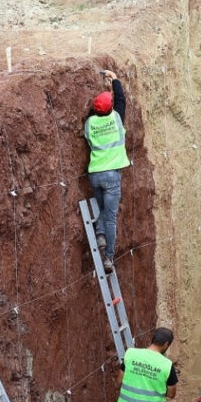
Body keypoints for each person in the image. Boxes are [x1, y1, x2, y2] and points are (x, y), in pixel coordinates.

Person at [84, 69, 130, 271]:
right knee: (110, 217)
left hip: (95, 175)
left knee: (104, 211)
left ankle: (100, 235)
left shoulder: (90, 123)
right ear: (111, 109)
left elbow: (100, 110)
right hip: (111, 176)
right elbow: (121, 101)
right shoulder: (117, 120)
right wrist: (115, 81)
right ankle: (109, 258)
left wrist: (103, 100)